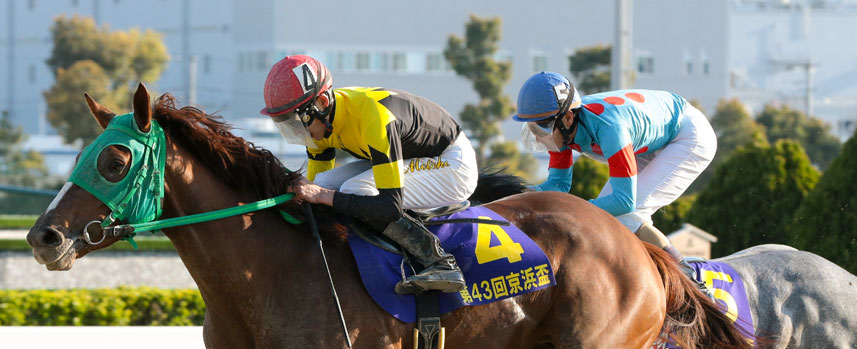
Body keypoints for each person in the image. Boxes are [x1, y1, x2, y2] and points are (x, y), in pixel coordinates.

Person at [261, 55, 478, 295]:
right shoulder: (321, 121)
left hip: (451, 165)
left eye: (297, 122)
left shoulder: (374, 120)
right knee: (324, 183)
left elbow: (389, 207)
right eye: (287, 124)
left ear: (322, 102)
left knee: (354, 189)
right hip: (412, 157)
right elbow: (316, 189)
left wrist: (322, 195)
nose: (298, 132)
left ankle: (440, 262)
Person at [513, 71, 717, 291]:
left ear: (569, 117)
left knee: (626, 215)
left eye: (541, 126)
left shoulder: (609, 129)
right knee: (610, 219)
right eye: (531, 126)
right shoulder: (562, 128)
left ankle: (692, 285)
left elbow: (624, 202)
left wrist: (573, 211)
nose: (537, 135)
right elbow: (558, 186)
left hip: (688, 136)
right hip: (649, 141)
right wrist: (513, 196)